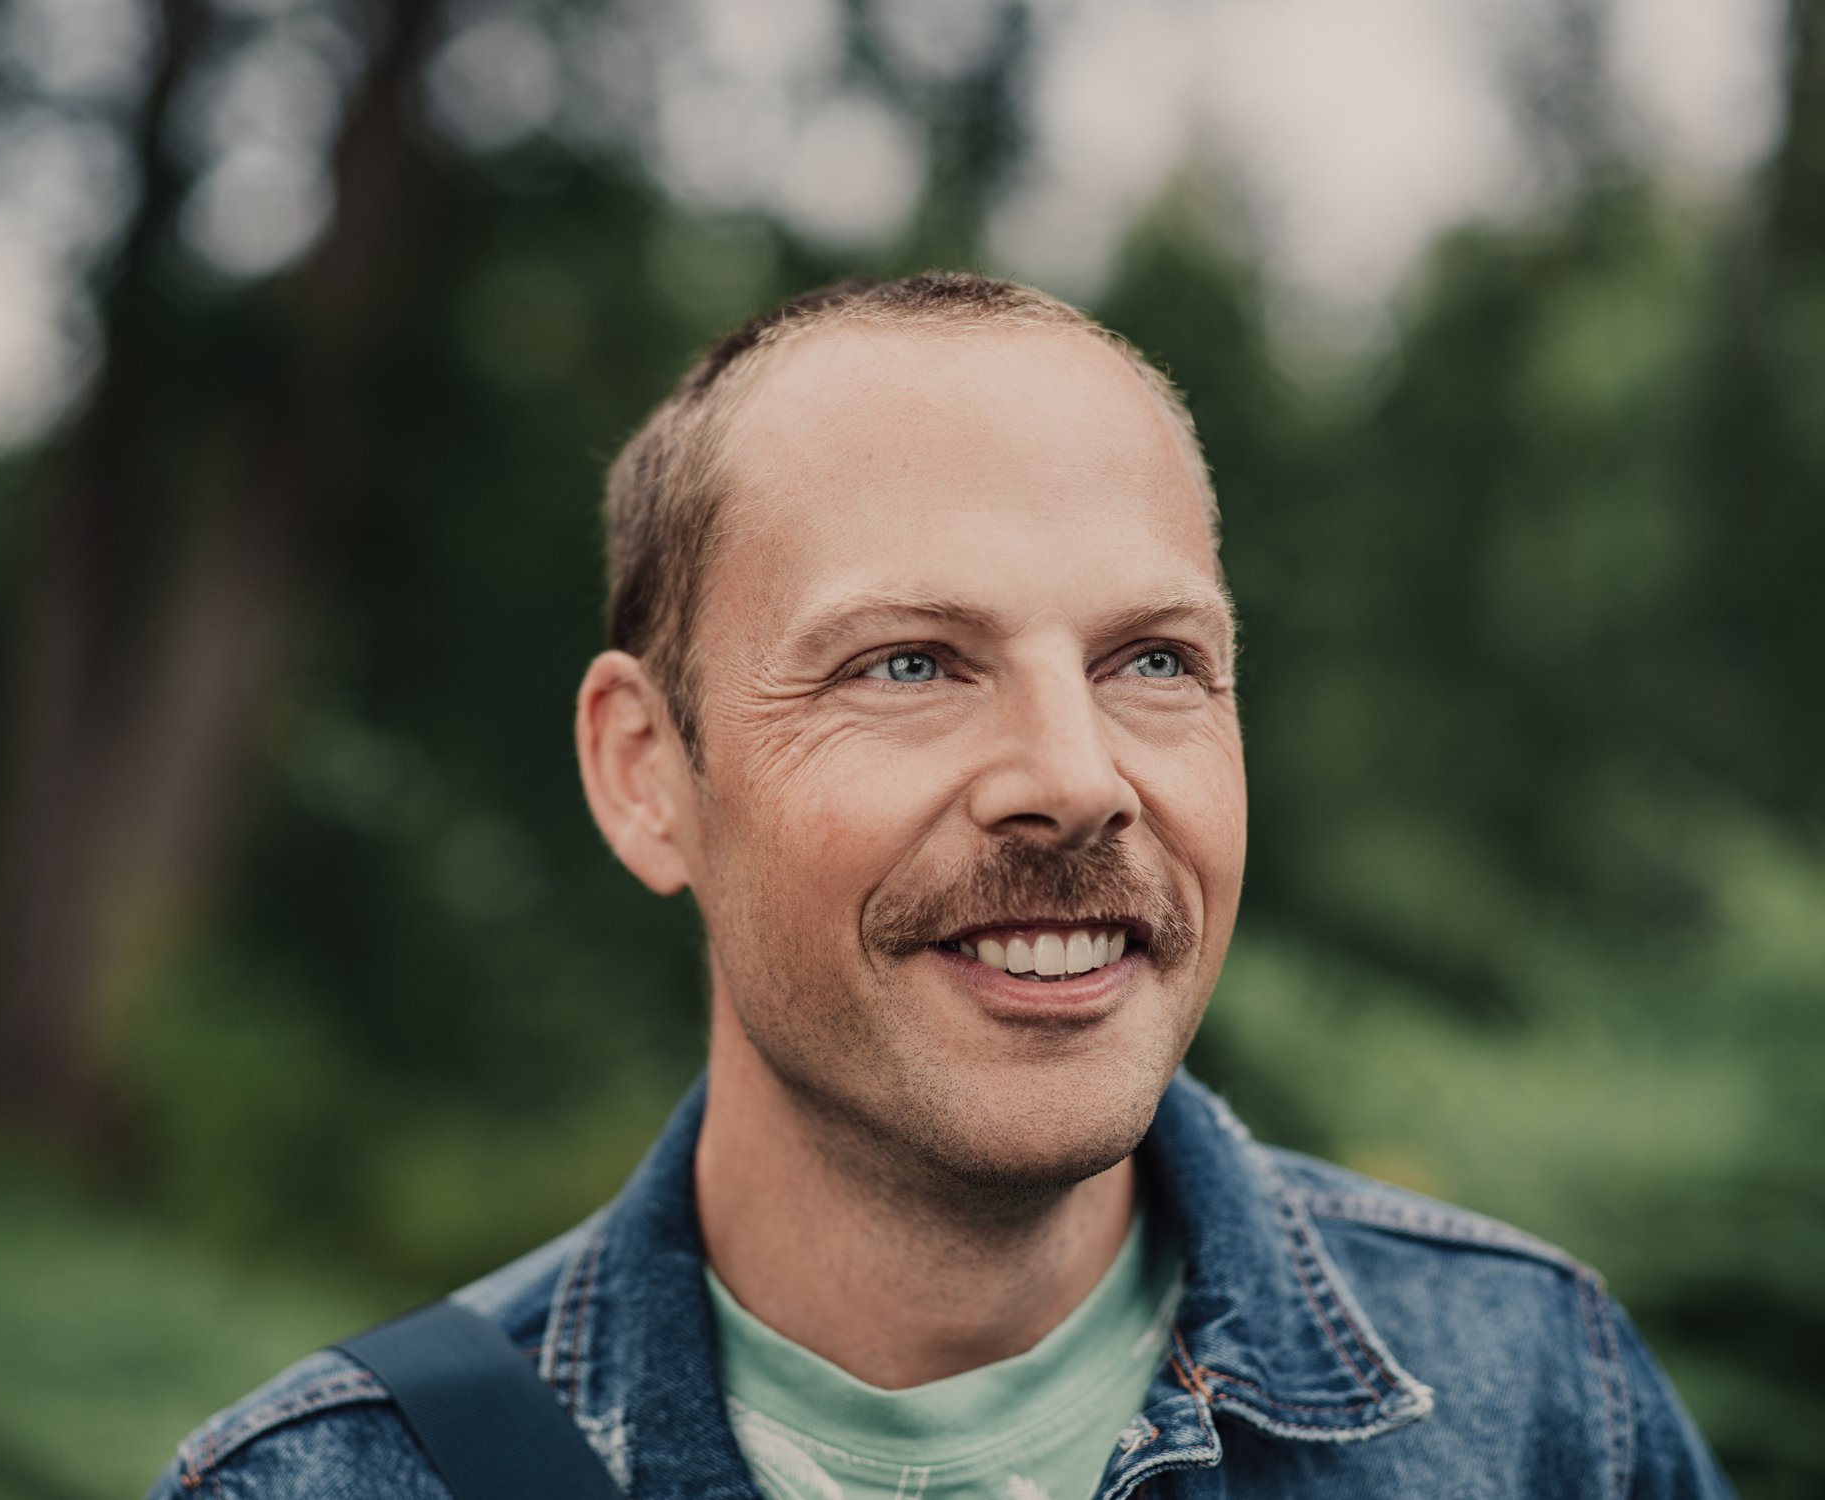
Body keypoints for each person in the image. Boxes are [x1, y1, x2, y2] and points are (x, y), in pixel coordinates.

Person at [145, 273, 1732, 1499]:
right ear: (646, 772)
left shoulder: (1538, 1403)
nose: (1077, 775)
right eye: (911, 662)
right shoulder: (327, 1482)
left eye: (1154, 661)